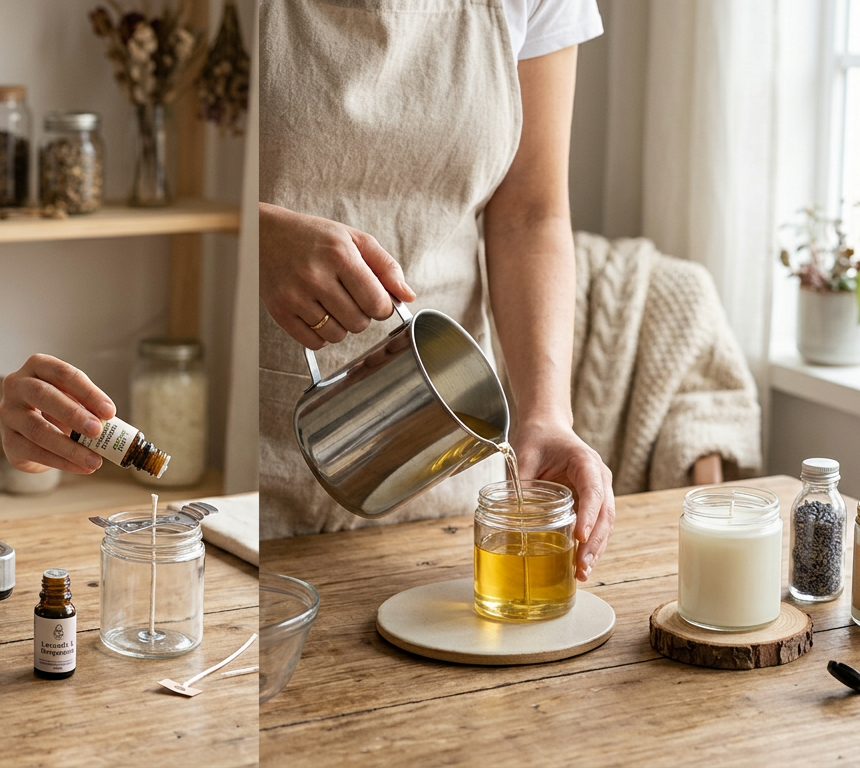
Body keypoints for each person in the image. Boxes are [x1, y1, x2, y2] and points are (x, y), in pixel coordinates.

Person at [258, 0, 614, 580]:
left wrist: (547, 415)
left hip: (442, 467)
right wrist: (256, 235)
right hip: (246, 469)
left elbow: (530, 214)